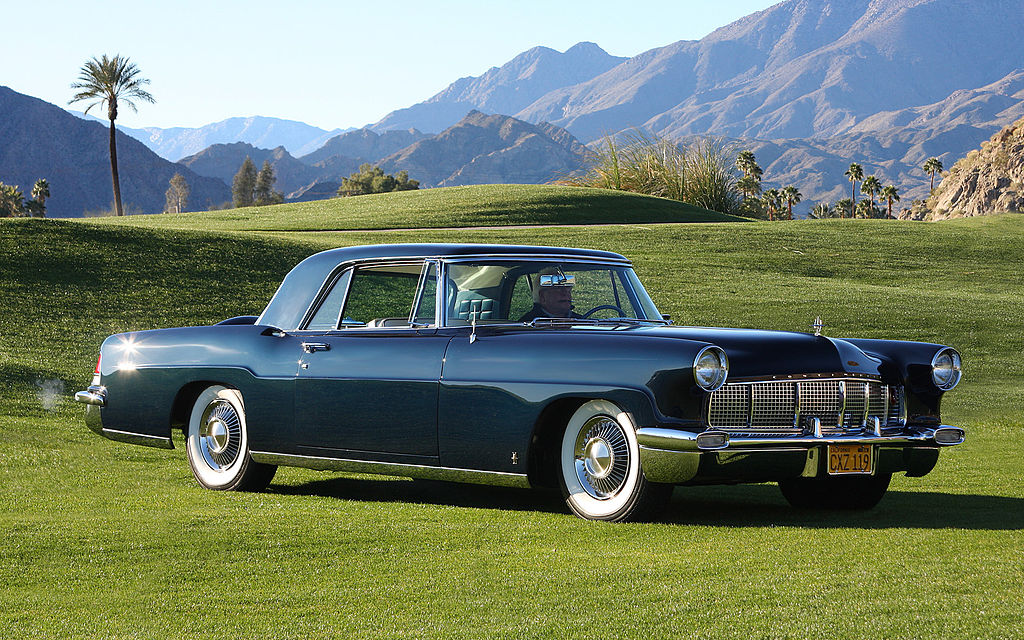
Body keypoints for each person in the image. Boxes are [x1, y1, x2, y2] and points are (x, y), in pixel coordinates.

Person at [518, 269, 584, 321]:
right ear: (542, 296)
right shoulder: (527, 324)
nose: (565, 294)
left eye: (568, 290)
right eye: (558, 289)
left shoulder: (582, 321)